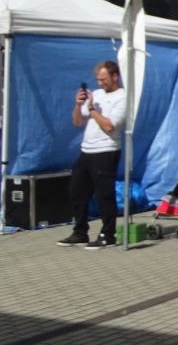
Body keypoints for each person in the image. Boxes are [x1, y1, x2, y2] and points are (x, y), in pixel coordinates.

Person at [59, 61, 128, 249]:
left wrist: (92, 109)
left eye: (104, 79)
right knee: (76, 191)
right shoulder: (96, 95)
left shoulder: (122, 97)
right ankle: (80, 231)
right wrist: (78, 104)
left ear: (115, 77)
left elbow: (109, 126)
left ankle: (108, 234)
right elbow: (77, 121)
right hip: (87, 150)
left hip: (106, 150)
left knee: (104, 194)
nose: (100, 83)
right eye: (98, 79)